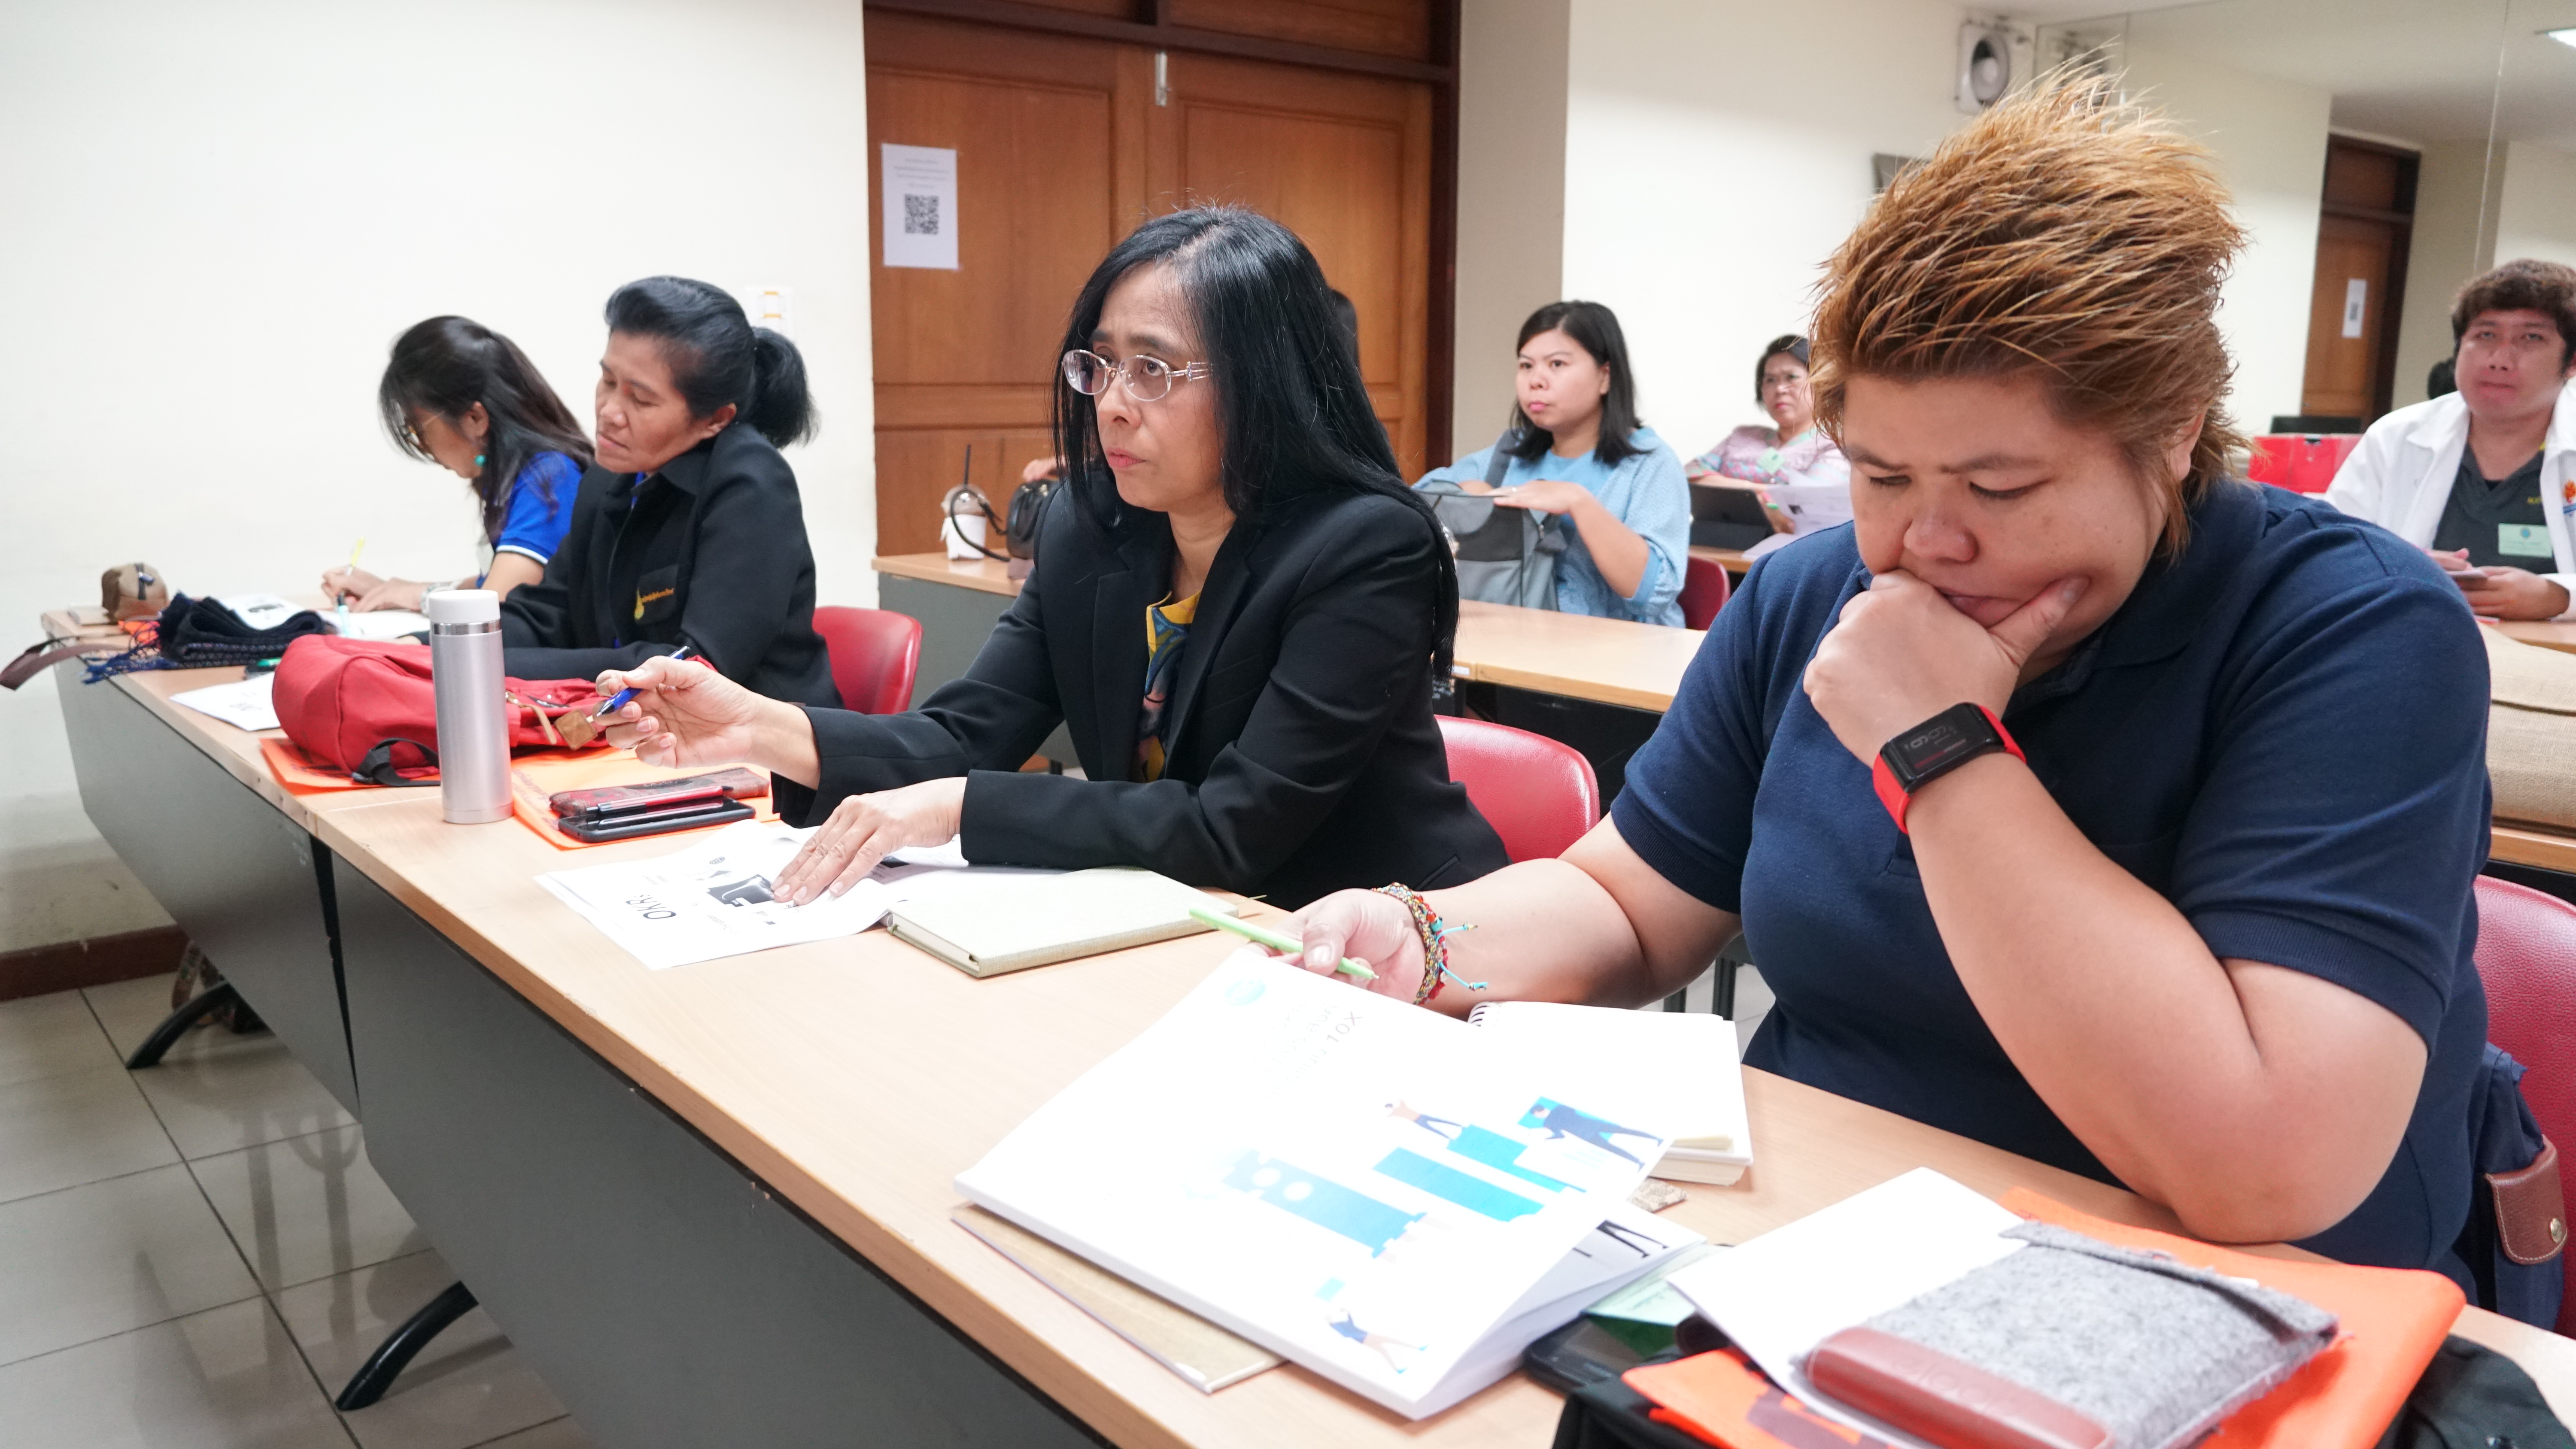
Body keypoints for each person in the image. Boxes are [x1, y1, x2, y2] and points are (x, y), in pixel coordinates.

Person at [1285, 79, 2494, 1279]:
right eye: (1881, 476)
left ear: (2175, 432)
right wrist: (1423, 939)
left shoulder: (2356, 629)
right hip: (1811, 1239)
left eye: (1999, 488)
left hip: (2200, 1289)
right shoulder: (1812, 595)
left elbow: (2264, 1165)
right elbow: (1630, 902)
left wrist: (1939, 743)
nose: (1925, 542)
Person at [597, 209, 1506, 909]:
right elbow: (963, 736)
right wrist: (757, 728)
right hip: (1184, 925)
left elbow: (1230, 827)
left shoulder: (1362, 546)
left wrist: (958, 806)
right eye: (1100, 365)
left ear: (1265, 383)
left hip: (1389, 941)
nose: (1112, 403)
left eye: (1154, 370)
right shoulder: (1092, 526)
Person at [497, 277, 837, 706]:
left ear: (715, 419)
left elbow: (694, 666)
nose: (608, 412)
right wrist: (441, 645)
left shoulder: (751, 484)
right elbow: (546, 613)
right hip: (631, 723)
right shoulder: (610, 476)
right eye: (607, 380)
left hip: (756, 734)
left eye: (640, 400)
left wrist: (497, 664)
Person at [2326, 259, 2576, 620]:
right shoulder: (2396, 437)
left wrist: (2559, 597)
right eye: (2486, 335)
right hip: (2417, 639)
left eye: (2531, 338)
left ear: (2572, 362)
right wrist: (2401, 565)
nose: (2499, 360)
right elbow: (2329, 553)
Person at [1413, 302, 1689, 625]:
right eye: (1526, 366)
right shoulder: (1509, 453)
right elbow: (1415, 502)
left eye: (1557, 364)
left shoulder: (1649, 462)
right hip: (1515, 640)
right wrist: (1469, 493)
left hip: (1619, 649)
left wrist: (1578, 503)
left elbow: (1655, 592)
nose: (1536, 380)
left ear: (1605, 377)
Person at [323, 317, 591, 609]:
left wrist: (418, 596)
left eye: (418, 429)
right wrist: (392, 591)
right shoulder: (528, 474)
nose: (422, 446)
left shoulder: (550, 478)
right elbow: (493, 582)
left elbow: (493, 609)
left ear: (475, 419)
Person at [1687, 334, 1851, 491]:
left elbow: (1806, 501)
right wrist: (1754, 490)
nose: (1780, 389)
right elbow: (1690, 474)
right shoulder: (1741, 438)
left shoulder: (1833, 447)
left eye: (1791, 377)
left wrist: (1723, 484)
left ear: (1821, 383)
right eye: (1770, 380)